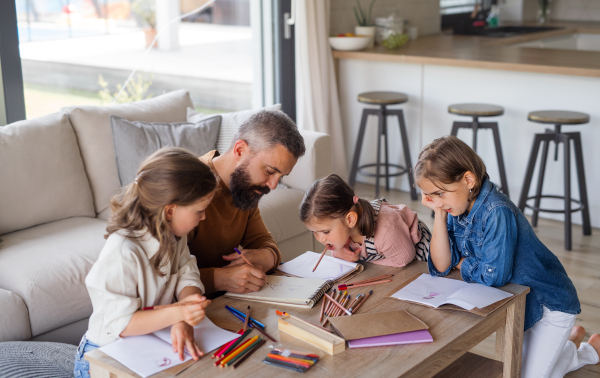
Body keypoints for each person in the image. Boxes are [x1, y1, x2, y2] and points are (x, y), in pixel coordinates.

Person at [415, 135, 600, 378]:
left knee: (525, 376)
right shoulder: (454, 206)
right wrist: (439, 214)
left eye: (440, 194)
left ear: (468, 180)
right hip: (523, 305)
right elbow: (441, 265)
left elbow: (494, 276)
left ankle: (583, 348)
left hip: (549, 305)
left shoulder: (496, 211)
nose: (436, 202)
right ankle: (571, 344)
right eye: (431, 196)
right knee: (521, 371)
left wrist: (461, 263)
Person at [74, 148, 217, 378]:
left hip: (146, 342)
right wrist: (178, 314)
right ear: (170, 211)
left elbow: (186, 272)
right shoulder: (123, 251)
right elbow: (122, 323)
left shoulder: (175, 234)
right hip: (104, 356)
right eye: (199, 211)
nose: (204, 217)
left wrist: (186, 312)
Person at [187, 110, 306, 295]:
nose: (273, 185)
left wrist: (266, 256)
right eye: (269, 171)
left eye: (281, 176)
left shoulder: (243, 188)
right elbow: (160, 278)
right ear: (240, 150)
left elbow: (264, 242)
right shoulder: (187, 189)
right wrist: (219, 279)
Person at [299, 173, 430, 267]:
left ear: (350, 220)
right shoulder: (343, 230)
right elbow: (339, 249)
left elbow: (404, 259)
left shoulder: (386, 231)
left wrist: (365, 261)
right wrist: (339, 253)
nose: (321, 239)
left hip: (419, 257)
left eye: (326, 232)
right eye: (314, 232)